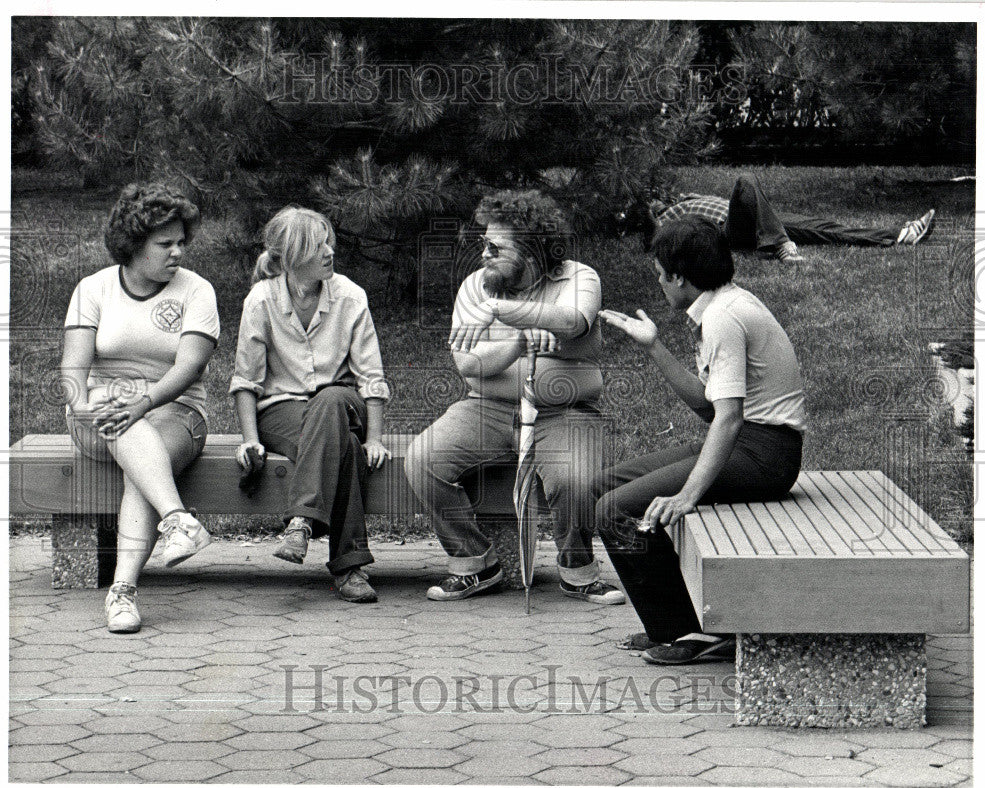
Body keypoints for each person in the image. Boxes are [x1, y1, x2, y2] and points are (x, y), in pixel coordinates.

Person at [596, 216, 806, 664]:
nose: (659, 283)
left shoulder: (724, 319)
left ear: (679, 275)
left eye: (659, 274)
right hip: (744, 441)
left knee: (614, 509)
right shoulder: (722, 306)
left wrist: (688, 495)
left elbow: (728, 419)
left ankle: (688, 631)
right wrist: (653, 346)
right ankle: (672, 623)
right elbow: (710, 408)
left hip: (763, 454)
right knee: (605, 485)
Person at [404, 189, 624, 604]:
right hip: (486, 407)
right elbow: (467, 364)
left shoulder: (579, 278)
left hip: (563, 412)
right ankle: (475, 564)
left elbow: (573, 322)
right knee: (423, 459)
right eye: (481, 244)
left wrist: (504, 313)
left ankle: (578, 572)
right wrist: (519, 342)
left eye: (494, 246)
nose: (483, 254)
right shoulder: (476, 286)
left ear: (530, 250)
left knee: (574, 479)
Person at [61, 182, 220, 634]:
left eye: (182, 242)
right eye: (165, 244)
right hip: (99, 415)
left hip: (177, 413)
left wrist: (144, 402)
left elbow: (189, 367)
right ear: (133, 245)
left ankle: (122, 593)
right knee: (119, 414)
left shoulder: (196, 291)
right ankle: (178, 520)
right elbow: (74, 371)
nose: (178, 253)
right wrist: (90, 407)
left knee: (141, 464)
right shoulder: (93, 289)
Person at [230, 206, 390, 603]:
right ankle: (350, 568)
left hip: (341, 402)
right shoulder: (261, 300)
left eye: (329, 242)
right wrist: (250, 440)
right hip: (281, 411)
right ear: (293, 256)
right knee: (345, 449)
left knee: (331, 398)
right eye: (318, 246)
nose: (330, 251)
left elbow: (370, 376)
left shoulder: (351, 297)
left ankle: (301, 521)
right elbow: (246, 380)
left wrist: (375, 437)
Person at [619, 175, 936, 262]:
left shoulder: (684, 198)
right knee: (745, 181)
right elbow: (655, 242)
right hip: (732, 231)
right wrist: (646, 215)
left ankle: (900, 235)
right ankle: (782, 245)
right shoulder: (665, 223)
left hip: (760, 220)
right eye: (651, 199)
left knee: (823, 228)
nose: (656, 196)